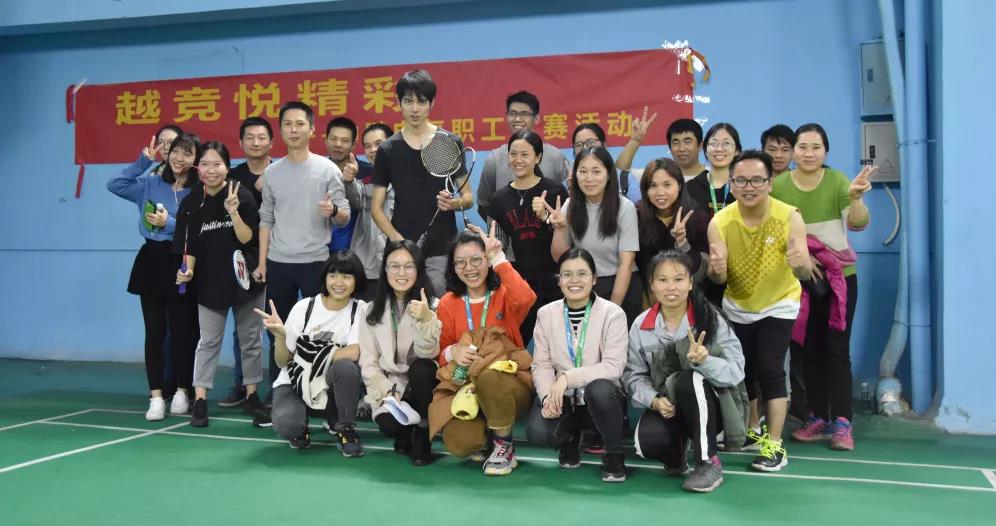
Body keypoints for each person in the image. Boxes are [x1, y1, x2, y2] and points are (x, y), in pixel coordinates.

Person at [706, 150, 813, 472]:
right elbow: (718, 278)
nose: (748, 187)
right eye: (740, 180)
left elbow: (805, 272)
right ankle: (752, 429)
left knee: (771, 369)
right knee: (745, 371)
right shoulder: (720, 222)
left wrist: (801, 264)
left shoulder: (789, 216)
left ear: (769, 183)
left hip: (779, 303)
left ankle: (775, 444)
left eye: (756, 180)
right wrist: (716, 271)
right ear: (731, 183)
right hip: (739, 305)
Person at [771, 123, 874, 451]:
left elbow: (858, 222)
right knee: (807, 350)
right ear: (793, 151)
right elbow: (777, 232)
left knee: (836, 349)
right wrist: (803, 262)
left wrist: (856, 198)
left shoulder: (839, 181)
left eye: (816, 147)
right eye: (802, 147)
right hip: (800, 280)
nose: (808, 153)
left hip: (840, 279)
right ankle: (817, 418)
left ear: (825, 151)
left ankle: (842, 422)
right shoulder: (780, 185)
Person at [624, 250, 747, 493]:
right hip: (669, 406)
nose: (671, 287)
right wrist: (654, 400)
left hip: (713, 408)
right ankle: (677, 454)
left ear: (690, 282)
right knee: (646, 443)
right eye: (663, 279)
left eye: (678, 279)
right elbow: (632, 375)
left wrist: (705, 361)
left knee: (689, 378)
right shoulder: (641, 325)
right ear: (652, 285)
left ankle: (708, 462)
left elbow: (736, 371)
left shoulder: (711, 319)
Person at [257, 101, 352, 390]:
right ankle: (280, 391)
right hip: (278, 262)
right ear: (280, 130)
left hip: (315, 262)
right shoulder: (272, 173)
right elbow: (266, 219)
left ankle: (316, 389)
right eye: (287, 124)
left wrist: (333, 211)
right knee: (278, 329)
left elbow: (345, 215)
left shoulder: (327, 169)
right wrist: (262, 263)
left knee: (317, 330)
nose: (294, 129)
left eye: (300, 124)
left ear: (311, 129)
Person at [174, 142, 269, 428]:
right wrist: (187, 271)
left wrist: (233, 213)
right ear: (197, 168)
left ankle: (251, 395)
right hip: (209, 283)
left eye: (217, 164)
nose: (211, 170)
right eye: (205, 164)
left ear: (227, 167)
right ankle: (200, 399)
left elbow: (247, 238)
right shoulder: (191, 202)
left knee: (250, 340)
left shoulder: (241, 194)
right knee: (208, 342)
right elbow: (188, 246)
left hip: (245, 280)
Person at [107, 130, 198, 420]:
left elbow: (198, 231)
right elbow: (115, 184)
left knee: (183, 332)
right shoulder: (150, 183)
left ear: (196, 159)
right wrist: (142, 162)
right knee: (155, 332)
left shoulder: (199, 192)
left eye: (187, 153)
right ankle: (156, 396)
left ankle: (183, 390)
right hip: (153, 260)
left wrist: (169, 222)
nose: (179, 158)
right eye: (175, 151)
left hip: (185, 262)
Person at [431, 224, 536, 475]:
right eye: (460, 262)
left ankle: (504, 445)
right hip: (468, 386)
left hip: (510, 383)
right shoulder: (447, 303)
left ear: (487, 261)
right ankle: (487, 436)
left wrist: (498, 257)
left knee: (490, 377)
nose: (469, 268)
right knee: (460, 443)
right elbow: (441, 353)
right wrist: (453, 352)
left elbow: (527, 298)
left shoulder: (504, 293)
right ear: (453, 267)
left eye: (476, 259)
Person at [526, 248, 629, 482]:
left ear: (594, 279)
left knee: (600, 389)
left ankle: (613, 453)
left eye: (582, 274)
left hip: (600, 401)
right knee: (538, 431)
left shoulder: (613, 314)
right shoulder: (545, 314)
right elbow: (541, 364)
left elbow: (613, 366)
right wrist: (547, 397)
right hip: (565, 399)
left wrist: (567, 378)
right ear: (559, 280)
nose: (574, 280)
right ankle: (570, 440)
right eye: (567, 274)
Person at [370, 69, 473, 296]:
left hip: (441, 247)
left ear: (432, 103)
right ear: (399, 103)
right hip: (402, 249)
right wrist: (398, 241)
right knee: (401, 310)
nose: (415, 109)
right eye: (408, 101)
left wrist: (453, 204)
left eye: (421, 101)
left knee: (439, 310)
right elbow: (376, 208)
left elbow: (468, 198)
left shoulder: (448, 142)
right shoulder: (388, 149)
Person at [256, 251, 368, 455]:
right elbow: (282, 362)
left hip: (328, 384)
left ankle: (345, 428)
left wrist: (306, 353)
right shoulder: (304, 307)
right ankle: (300, 427)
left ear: (356, 280)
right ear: (325, 278)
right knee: (287, 425)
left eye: (346, 276)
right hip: (295, 383)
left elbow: (353, 352)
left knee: (346, 369)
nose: (339, 283)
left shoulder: (359, 310)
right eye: (333, 275)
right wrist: (280, 336)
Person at [357, 240, 441, 466]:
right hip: (391, 385)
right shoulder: (369, 310)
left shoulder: (434, 305)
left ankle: (423, 431)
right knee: (389, 426)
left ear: (418, 270)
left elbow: (429, 353)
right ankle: (405, 430)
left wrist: (425, 320)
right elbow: (368, 361)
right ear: (385, 270)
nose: (401, 273)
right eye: (394, 266)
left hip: (423, 384)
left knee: (422, 369)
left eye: (408, 266)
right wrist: (387, 390)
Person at [489, 130, 569, 345]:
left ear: (538, 157)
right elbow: (499, 243)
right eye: (513, 154)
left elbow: (567, 237)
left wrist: (546, 218)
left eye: (525, 154)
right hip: (521, 283)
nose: (518, 160)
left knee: (560, 342)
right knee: (516, 343)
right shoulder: (499, 199)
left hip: (556, 280)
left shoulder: (554, 190)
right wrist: (491, 247)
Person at [547, 147, 642, 325]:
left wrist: (613, 308)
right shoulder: (570, 205)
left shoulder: (625, 207)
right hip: (585, 285)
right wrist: (560, 228)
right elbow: (560, 258)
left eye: (596, 171)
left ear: (609, 174)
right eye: (583, 171)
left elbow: (627, 263)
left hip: (620, 284)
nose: (589, 178)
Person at [219, 116, 274, 409]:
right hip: (243, 260)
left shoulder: (282, 172)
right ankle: (242, 385)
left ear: (271, 142)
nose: (256, 142)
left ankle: (279, 388)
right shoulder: (231, 178)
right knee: (242, 329)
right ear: (240, 143)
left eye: (262, 137)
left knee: (279, 326)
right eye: (250, 137)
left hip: (280, 256)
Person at [476, 90, 570, 227]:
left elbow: (569, 202)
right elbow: (484, 205)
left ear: (536, 118)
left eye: (524, 114)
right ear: (507, 117)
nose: (517, 119)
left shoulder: (555, 156)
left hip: (551, 235)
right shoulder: (494, 159)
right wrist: (507, 230)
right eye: (512, 113)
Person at [634, 158, 709, 289]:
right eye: (653, 186)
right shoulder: (636, 216)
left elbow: (701, 272)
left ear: (679, 186)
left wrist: (682, 243)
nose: (660, 193)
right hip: (647, 292)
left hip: (686, 292)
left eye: (667, 185)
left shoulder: (697, 218)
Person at [350, 122, 395, 299]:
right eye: (367, 146)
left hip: (400, 267)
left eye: (378, 144)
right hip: (367, 269)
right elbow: (353, 201)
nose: (373, 150)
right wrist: (348, 181)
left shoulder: (408, 184)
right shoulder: (363, 184)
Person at [326, 117, 369, 252]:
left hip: (358, 251)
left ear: (353, 145)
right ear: (326, 140)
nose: (338, 144)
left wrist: (350, 181)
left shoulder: (369, 172)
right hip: (321, 250)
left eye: (344, 141)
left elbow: (359, 206)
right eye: (333, 139)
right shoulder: (317, 171)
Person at [570, 123, 640, 202]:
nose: (585, 148)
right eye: (579, 145)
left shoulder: (625, 180)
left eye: (591, 142)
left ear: (604, 146)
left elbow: (639, 207)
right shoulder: (568, 183)